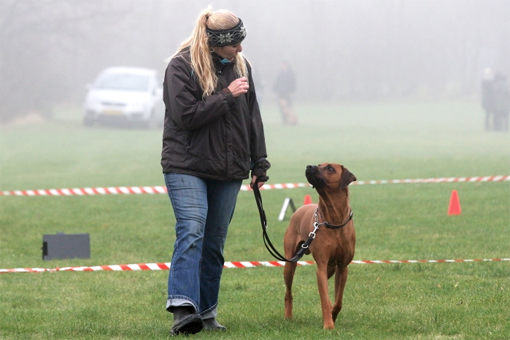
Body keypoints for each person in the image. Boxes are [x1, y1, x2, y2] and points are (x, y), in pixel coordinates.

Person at [161, 7, 270, 336]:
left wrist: (259, 161)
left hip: (229, 168)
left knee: (214, 244)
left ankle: (206, 314)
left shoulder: (242, 65)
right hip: (186, 164)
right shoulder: (180, 66)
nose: (240, 49)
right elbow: (186, 117)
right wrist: (226, 95)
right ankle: (183, 309)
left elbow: (252, 116)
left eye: (241, 42)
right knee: (192, 231)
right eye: (234, 44)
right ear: (217, 42)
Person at [273, 61, 297, 125]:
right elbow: (277, 82)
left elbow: (293, 83)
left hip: (288, 93)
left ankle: (292, 120)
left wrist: (292, 92)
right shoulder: (280, 74)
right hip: (281, 93)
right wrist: (275, 90)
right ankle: (285, 120)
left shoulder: (291, 73)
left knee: (289, 107)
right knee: (282, 107)